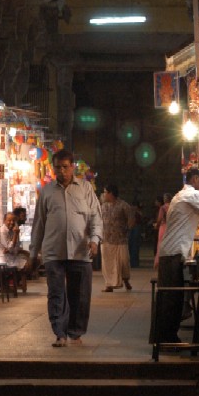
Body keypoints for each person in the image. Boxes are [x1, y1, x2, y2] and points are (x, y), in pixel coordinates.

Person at [30, 148, 103, 348]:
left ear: (72, 168)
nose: (61, 171)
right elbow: (39, 223)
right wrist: (33, 252)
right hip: (54, 251)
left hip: (81, 252)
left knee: (79, 295)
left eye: (65, 167)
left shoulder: (86, 189)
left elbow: (96, 217)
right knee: (56, 293)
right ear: (53, 169)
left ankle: (75, 332)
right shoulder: (46, 192)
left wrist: (95, 240)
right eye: (57, 167)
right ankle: (59, 333)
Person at [155, 168, 199, 344]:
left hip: (171, 252)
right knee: (171, 300)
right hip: (173, 254)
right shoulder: (190, 195)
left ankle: (164, 338)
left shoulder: (180, 195)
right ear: (195, 179)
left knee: (170, 299)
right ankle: (166, 340)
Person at [99, 183, 135, 292]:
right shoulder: (103, 206)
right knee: (107, 263)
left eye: (105, 192)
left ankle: (125, 280)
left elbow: (131, 219)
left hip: (120, 239)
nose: (104, 194)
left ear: (111, 193)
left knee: (123, 262)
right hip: (106, 239)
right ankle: (109, 284)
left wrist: (127, 229)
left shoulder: (123, 205)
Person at [153, 193, 172, 268]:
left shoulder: (163, 208)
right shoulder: (173, 207)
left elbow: (159, 219)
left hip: (163, 227)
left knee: (160, 244)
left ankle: (160, 262)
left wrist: (156, 226)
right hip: (170, 228)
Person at [127, 201, 144, 268]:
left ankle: (133, 262)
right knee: (134, 246)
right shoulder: (137, 212)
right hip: (135, 228)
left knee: (133, 246)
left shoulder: (133, 212)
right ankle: (134, 262)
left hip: (134, 229)